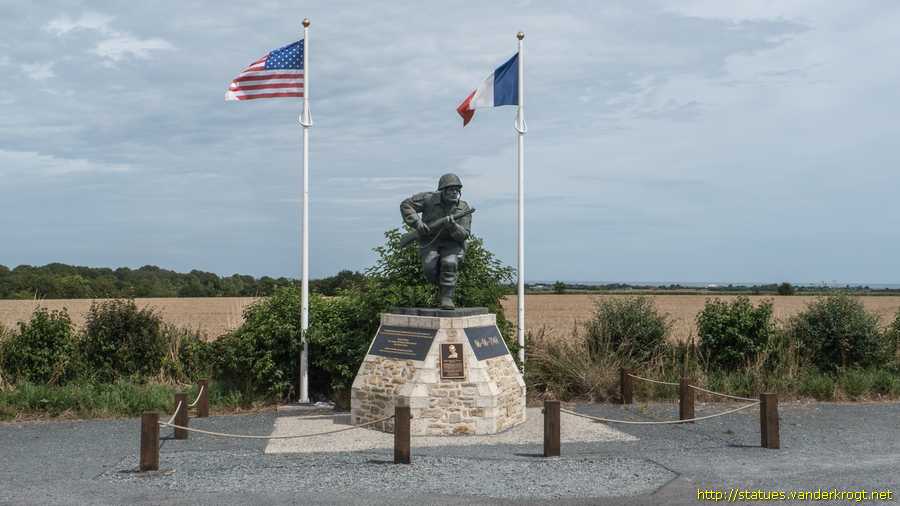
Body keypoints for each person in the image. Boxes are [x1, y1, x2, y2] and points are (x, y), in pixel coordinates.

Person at [400, 173, 472, 309]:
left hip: (452, 243)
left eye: (457, 190)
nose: (454, 193)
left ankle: (447, 298)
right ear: (443, 190)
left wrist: (453, 227)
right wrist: (417, 223)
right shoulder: (429, 199)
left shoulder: (463, 208)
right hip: (430, 240)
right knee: (429, 268)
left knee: (449, 263)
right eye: (451, 190)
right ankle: (443, 286)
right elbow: (406, 205)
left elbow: (464, 234)